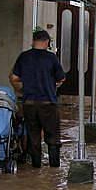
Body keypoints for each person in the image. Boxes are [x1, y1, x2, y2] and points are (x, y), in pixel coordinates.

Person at [9, 30, 65, 168]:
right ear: (47, 42)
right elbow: (61, 78)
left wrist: (21, 90)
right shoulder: (51, 58)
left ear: (33, 41)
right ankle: (54, 170)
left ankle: (35, 167)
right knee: (52, 137)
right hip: (48, 103)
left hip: (29, 103)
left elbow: (13, 78)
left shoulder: (24, 57)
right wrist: (53, 85)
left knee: (33, 136)